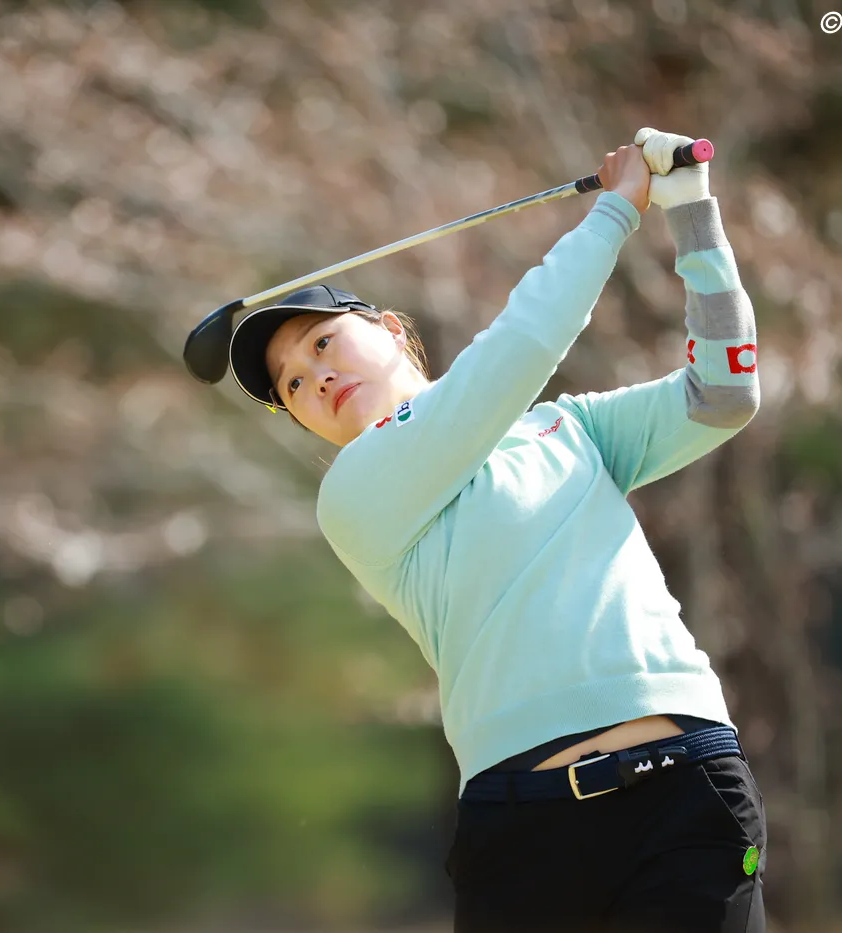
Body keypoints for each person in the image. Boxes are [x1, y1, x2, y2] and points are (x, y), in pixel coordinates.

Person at [222, 128, 767, 932]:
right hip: (523, 827)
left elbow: (722, 393)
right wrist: (615, 211)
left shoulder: (567, 428)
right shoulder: (356, 494)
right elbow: (516, 352)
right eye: (294, 386)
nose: (318, 376)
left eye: (323, 342)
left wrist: (689, 206)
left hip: (685, 790)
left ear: (392, 329)